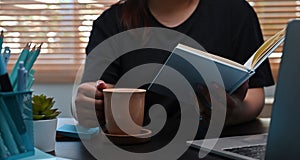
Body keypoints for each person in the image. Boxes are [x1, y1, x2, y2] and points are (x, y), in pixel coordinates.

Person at [74, 0, 274, 139]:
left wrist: (233, 112)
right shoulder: (111, 23)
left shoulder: (236, 13)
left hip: (218, 146)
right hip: (138, 153)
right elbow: (100, 93)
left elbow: (255, 94)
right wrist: (92, 104)